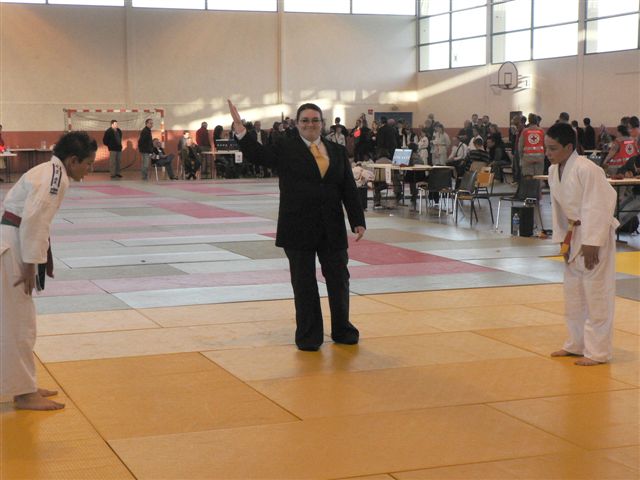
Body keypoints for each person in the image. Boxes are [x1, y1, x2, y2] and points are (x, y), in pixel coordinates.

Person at [228, 99, 365, 351]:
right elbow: (258, 155)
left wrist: (357, 220)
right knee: (304, 283)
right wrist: (241, 131)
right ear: (297, 124)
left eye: (315, 120)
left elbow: (347, 186)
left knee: (339, 279)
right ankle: (309, 335)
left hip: (332, 226)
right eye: (305, 120)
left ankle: (342, 329)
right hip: (298, 226)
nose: (310, 124)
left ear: (322, 123)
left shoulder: (336, 150)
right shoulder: (285, 148)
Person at [1, 131, 96, 410]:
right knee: (19, 323)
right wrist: (30, 265)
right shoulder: (55, 178)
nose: (89, 170)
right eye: (88, 163)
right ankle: (24, 393)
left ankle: (24, 385)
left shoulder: (50, 171)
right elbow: (35, 221)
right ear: (73, 160)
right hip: (14, 248)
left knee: (18, 321)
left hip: (13, 242)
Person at [546, 123, 618, 366]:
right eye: (546, 148)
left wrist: (592, 242)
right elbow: (557, 209)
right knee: (574, 293)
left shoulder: (587, 169)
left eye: (553, 148)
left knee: (596, 293)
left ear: (569, 147)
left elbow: (600, 203)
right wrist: (561, 240)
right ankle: (576, 344)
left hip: (594, 234)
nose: (548, 153)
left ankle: (598, 352)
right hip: (573, 233)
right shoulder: (553, 171)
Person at [518, 114, 545, 178]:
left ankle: (529, 184)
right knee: (539, 177)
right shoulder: (541, 131)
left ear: (529, 121)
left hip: (527, 158)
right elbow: (545, 145)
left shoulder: (525, 131)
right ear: (537, 121)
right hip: (539, 158)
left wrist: (521, 157)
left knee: (528, 177)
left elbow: (520, 146)